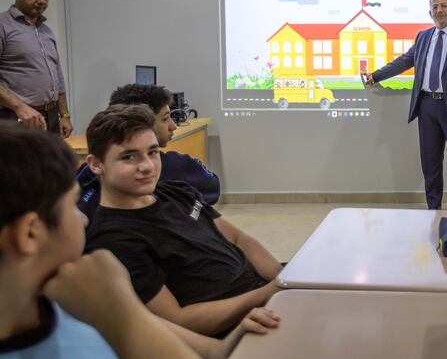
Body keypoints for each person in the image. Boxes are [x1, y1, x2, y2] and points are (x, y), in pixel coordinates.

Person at [0, 121, 280, 359]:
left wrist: (235, 340)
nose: (84, 218)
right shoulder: (97, 298)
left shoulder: (68, 299)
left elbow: (216, 352)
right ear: (30, 232)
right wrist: (121, 312)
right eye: (73, 205)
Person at [84, 104, 283, 337]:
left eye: (153, 152)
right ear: (96, 164)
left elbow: (239, 238)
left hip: (268, 296)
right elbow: (179, 320)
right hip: (239, 327)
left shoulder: (176, 192)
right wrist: (269, 293)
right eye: (129, 157)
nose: (147, 166)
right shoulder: (112, 240)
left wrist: (283, 280)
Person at [365, 0, 447, 210]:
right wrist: (376, 75)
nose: (439, 10)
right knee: (430, 163)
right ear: (430, 13)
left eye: (443, 6)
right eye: (434, 7)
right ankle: (433, 207)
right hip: (427, 106)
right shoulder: (423, 37)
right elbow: (404, 61)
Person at [77, 84, 221, 224]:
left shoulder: (82, 175)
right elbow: (213, 188)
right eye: (165, 118)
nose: (173, 125)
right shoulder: (177, 166)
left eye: (152, 153)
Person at [0, 0, 72, 137]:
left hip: (51, 117)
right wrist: (19, 107)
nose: (42, 1)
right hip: (16, 118)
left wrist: (64, 114)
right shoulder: (3, 26)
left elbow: (58, 76)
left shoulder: (46, 31)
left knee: (51, 163)